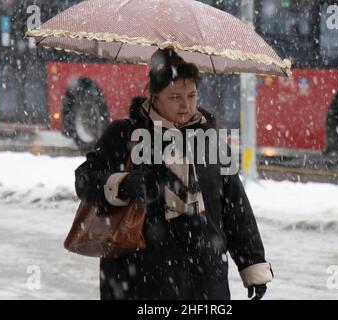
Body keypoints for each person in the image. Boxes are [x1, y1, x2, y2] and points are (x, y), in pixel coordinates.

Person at [74, 48, 273, 300]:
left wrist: (252, 264)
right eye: (175, 96)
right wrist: (122, 184)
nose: (186, 105)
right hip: (138, 281)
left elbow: (235, 207)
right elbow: (84, 179)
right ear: (154, 96)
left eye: (191, 95)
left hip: (204, 281)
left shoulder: (210, 141)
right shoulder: (125, 134)